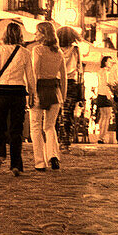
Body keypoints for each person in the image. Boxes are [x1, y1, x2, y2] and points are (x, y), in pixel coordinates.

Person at [0, 21, 36, 176]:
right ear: (20, 36)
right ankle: (15, 165)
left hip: (1, 92)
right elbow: (30, 76)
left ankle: (0, 153)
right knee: (16, 129)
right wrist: (32, 94)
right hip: (19, 93)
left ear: (5, 34)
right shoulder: (25, 53)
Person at [29, 21, 67, 171]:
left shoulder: (37, 50)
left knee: (36, 127)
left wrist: (30, 93)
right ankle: (53, 156)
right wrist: (62, 96)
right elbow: (63, 77)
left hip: (39, 90)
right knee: (50, 126)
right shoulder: (59, 53)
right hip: (54, 91)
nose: (35, 34)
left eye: (37, 32)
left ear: (44, 34)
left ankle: (40, 162)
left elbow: (34, 73)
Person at [57, 25, 83, 150]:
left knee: (55, 112)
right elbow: (80, 70)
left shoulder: (55, 49)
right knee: (68, 113)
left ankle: (55, 139)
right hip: (71, 83)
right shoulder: (76, 50)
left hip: (57, 82)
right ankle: (66, 141)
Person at [95, 55, 115, 144]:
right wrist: (110, 96)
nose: (111, 63)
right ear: (105, 62)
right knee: (106, 117)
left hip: (100, 95)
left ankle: (100, 136)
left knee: (103, 117)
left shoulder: (99, 71)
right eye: (110, 62)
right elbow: (107, 84)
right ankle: (102, 137)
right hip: (105, 95)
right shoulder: (106, 72)